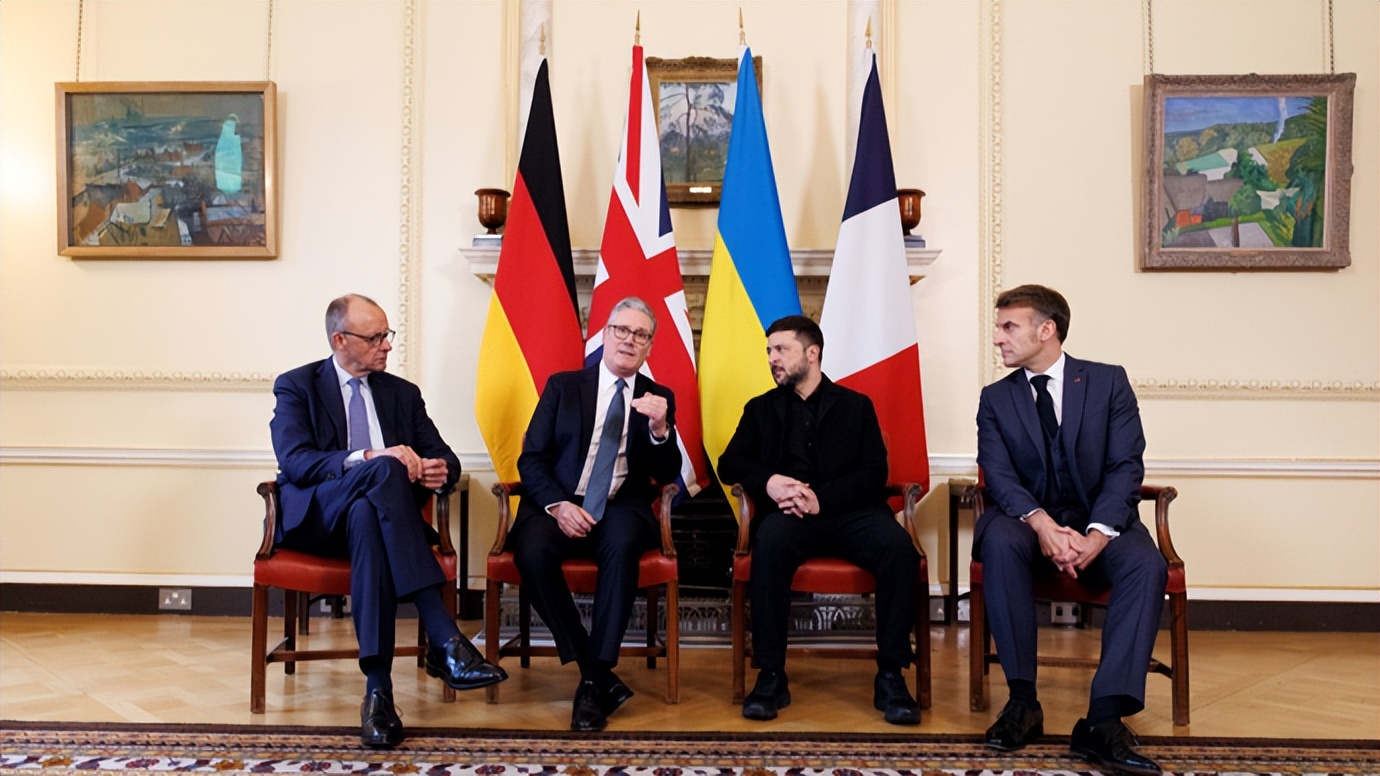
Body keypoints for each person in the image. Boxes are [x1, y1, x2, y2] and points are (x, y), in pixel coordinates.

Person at [270, 293, 506, 749]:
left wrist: (439, 471)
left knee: (367, 514)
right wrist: (371, 457)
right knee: (383, 469)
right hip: (318, 521)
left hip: (375, 526)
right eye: (375, 337)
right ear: (339, 340)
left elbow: (447, 458)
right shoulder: (297, 385)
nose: (387, 345)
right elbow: (295, 461)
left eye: (387, 335)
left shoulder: (402, 394)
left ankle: (378, 694)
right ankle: (445, 639)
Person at [975, 284, 1167, 775]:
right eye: (998, 327)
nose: (997, 337)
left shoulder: (1107, 382)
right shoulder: (996, 399)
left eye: (1008, 326)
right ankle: (1022, 703)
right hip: (1027, 523)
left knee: (1146, 564)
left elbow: (1125, 465)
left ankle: (1103, 719)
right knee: (998, 540)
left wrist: (1098, 533)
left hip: (1098, 521)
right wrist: (1041, 523)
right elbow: (998, 475)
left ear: (1047, 330)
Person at [717, 315, 922, 726]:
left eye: (781, 349)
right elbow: (729, 464)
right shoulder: (760, 409)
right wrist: (771, 482)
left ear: (812, 353)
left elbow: (873, 473)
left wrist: (820, 500)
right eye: (769, 350)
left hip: (852, 512)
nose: (772, 358)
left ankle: (891, 675)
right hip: (790, 517)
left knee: (899, 550)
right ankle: (771, 675)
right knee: (769, 545)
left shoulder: (856, 406)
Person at [509, 297, 682, 732]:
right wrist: (558, 505)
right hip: (559, 501)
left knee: (622, 546)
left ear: (649, 346)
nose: (629, 340)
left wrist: (661, 430)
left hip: (620, 504)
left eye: (640, 335)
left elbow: (667, 474)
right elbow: (532, 458)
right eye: (622, 330)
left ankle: (592, 681)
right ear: (605, 334)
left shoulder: (658, 398)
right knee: (531, 551)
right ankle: (595, 669)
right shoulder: (563, 387)